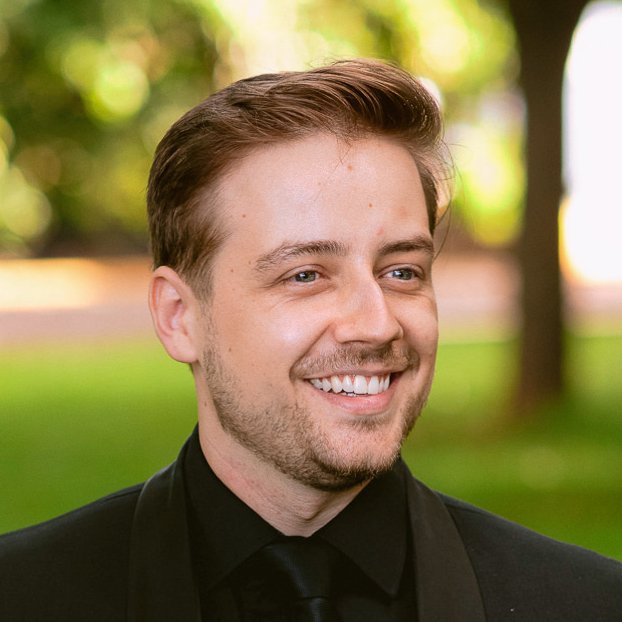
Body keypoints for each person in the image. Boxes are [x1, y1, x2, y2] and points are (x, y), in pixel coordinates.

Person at [0, 59, 620, 622]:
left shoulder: (585, 603)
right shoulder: (24, 596)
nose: (376, 324)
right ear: (179, 316)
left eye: (402, 271)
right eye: (306, 276)